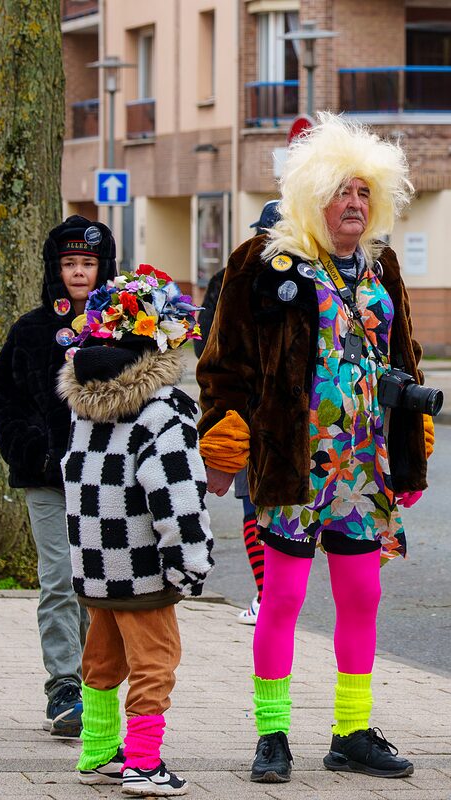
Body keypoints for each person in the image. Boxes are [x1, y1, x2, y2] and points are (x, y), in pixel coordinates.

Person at [196, 112, 436, 783]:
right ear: (312, 196)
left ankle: (350, 731)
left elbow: (403, 357)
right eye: (341, 191)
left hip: (363, 463)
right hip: (293, 459)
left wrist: (411, 436)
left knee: (361, 595)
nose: (353, 203)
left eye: (363, 192)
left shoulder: (381, 266)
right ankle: (271, 734)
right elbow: (224, 363)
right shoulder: (265, 262)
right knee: (284, 597)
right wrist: (224, 428)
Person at [56, 264, 214, 795]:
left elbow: (76, 476)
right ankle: (145, 763)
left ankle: (99, 749)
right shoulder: (162, 411)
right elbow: (177, 495)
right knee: (156, 660)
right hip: (144, 564)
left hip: (95, 564)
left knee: (100, 657)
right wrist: (190, 563)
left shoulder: (84, 406)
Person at [0, 215, 116, 737]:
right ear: (54, 268)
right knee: (59, 579)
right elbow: (3, 398)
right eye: (69, 264)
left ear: (102, 268)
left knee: (98, 583)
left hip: (104, 481)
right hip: (46, 478)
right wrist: (31, 448)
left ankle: (95, 681)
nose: (78, 273)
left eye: (87, 263)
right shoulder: (32, 330)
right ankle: (63, 684)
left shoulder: (126, 329)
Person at [194, 200, 281, 625]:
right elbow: (211, 347)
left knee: (261, 511)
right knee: (254, 508)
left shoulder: (233, 276)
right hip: (246, 415)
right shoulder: (233, 276)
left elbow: (207, 346)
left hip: (254, 414)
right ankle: (267, 594)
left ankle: (269, 595)